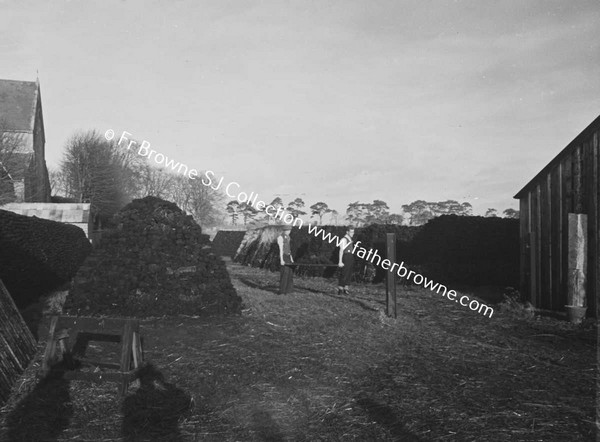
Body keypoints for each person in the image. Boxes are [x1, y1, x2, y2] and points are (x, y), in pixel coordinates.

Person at [277, 225, 294, 295]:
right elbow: (281, 250)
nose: (289, 232)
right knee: (285, 274)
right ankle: (282, 291)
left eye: (290, 230)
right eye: (288, 230)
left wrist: (291, 258)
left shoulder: (288, 237)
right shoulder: (280, 238)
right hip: (283, 256)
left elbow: (289, 249)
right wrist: (281, 260)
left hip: (288, 256)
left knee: (290, 273)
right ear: (285, 230)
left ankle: (288, 290)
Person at [337, 227, 355, 295]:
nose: (352, 233)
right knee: (344, 272)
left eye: (353, 232)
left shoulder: (350, 239)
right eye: (351, 232)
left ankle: (346, 288)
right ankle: (340, 289)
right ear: (347, 232)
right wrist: (340, 261)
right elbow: (341, 250)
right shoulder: (344, 239)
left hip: (350, 256)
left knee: (349, 273)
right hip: (346, 256)